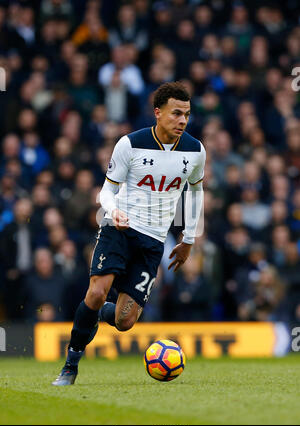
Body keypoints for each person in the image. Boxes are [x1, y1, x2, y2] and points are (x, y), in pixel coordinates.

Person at [52, 81, 206, 385]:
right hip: (119, 227)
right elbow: (105, 192)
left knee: (125, 321)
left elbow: (196, 192)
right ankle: (71, 365)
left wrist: (189, 238)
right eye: (176, 113)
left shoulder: (195, 151)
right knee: (97, 292)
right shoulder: (130, 144)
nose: (183, 121)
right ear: (158, 113)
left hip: (153, 241)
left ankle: (92, 313)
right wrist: (114, 211)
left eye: (187, 114)